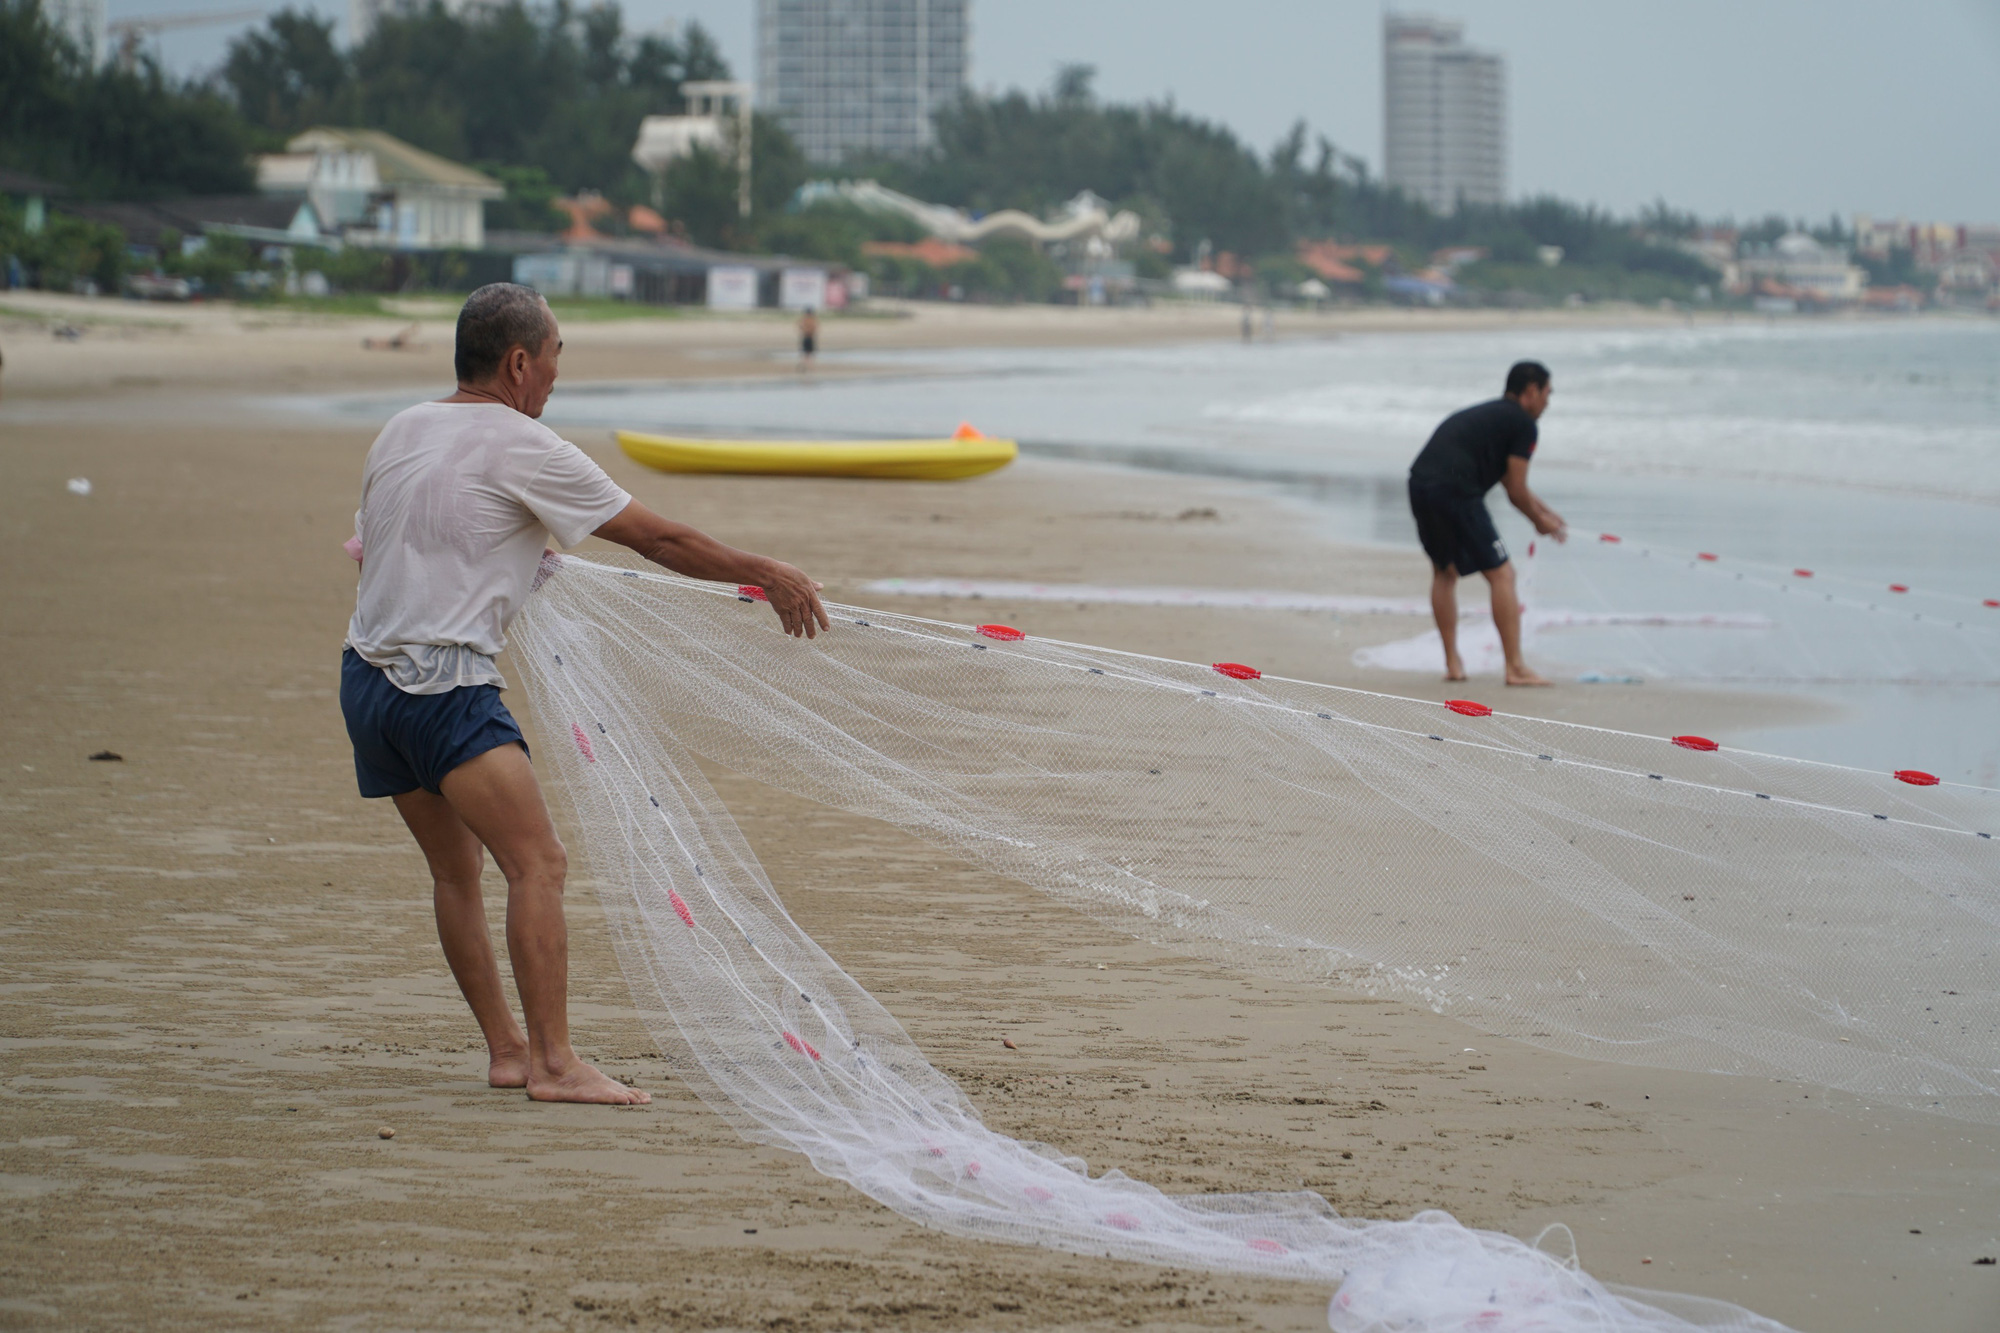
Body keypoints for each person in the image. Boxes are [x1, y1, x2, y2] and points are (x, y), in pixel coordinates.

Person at [341, 282, 828, 1105]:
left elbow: (385, 543)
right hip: (445, 691)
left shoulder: (402, 428)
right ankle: (557, 1065)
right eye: (558, 354)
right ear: (520, 361)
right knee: (539, 863)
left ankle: (508, 1051)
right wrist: (766, 571)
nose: (561, 373)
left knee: (456, 872)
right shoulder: (528, 446)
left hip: (366, 685)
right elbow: (660, 539)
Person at [1406, 360, 1567, 685]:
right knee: (1503, 574)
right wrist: (1539, 522)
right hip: (1456, 490)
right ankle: (1516, 668)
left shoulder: (1494, 414)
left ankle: (1453, 664)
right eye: (1548, 394)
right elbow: (1517, 492)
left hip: (1420, 483)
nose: (1548, 403)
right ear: (1531, 391)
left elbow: (1511, 483)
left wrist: (1545, 512)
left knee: (1444, 571)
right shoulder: (1524, 423)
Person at [797, 306, 818, 371]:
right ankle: (809, 366)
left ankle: (804, 364)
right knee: (809, 352)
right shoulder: (812, 320)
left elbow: (800, 327)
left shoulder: (804, 319)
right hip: (809, 337)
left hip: (805, 336)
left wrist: (804, 330)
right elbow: (815, 328)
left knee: (805, 352)